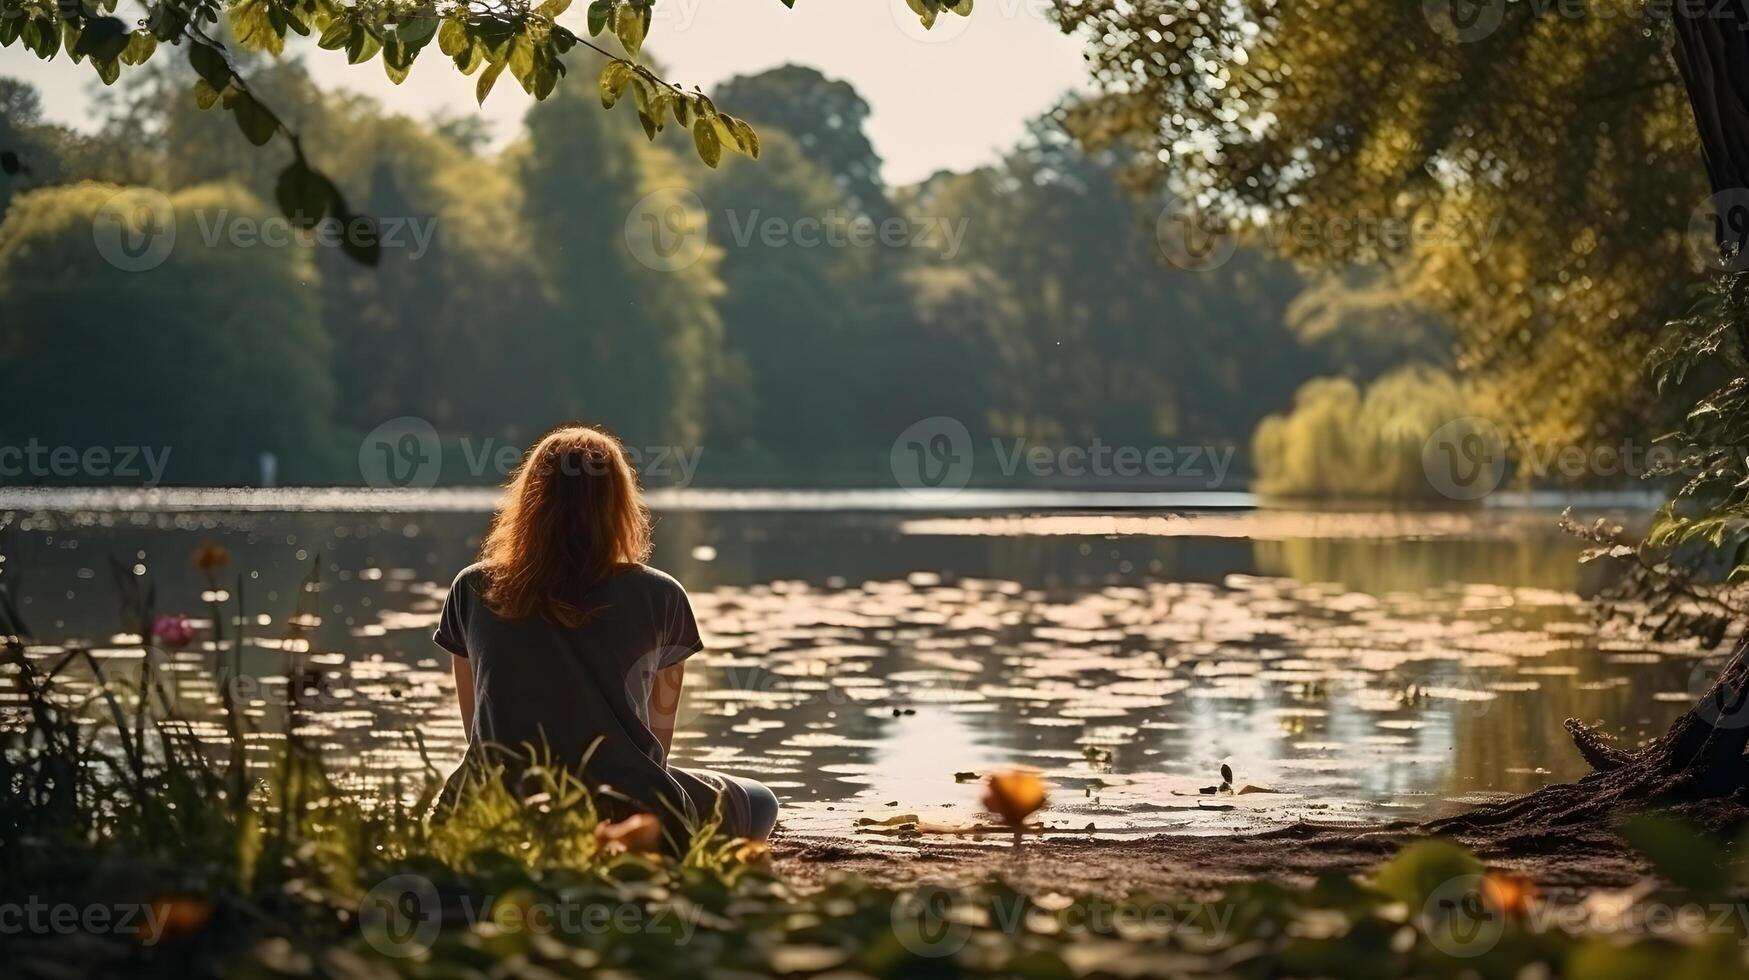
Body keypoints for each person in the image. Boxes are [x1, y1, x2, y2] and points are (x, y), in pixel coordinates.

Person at [432, 424, 778, 844]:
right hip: (623, 809)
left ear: (528, 501)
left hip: (493, 805)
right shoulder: (662, 595)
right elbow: (656, 746)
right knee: (760, 801)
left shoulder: (472, 589)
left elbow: (480, 732)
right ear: (619, 504)